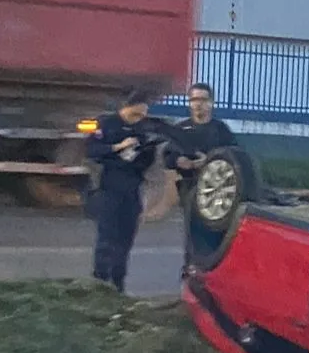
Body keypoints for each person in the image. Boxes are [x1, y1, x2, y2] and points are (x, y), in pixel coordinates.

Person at [85, 89, 159, 293]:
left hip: (132, 189)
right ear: (125, 108)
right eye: (134, 115)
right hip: (109, 189)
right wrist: (118, 147)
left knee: (125, 239)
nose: (138, 120)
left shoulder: (143, 130)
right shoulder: (106, 124)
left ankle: (118, 283)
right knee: (106, 237)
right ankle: (99, 281)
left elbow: (148, 161)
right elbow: (92, 151)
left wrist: (141, 153)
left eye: (142, 116)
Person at [164, 83, 237, 267]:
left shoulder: (221, 130)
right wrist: (178, 161)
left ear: (211, 103)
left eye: (203, 100)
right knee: (192, 235)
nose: (198, 104)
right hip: (190, 188)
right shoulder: (180, 129)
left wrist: (209, 160)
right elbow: (167, 156)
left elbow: (234, 157)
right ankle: (190, 274)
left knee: (215, 236)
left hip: (217, 192)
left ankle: (211, 274)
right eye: (194, 99)